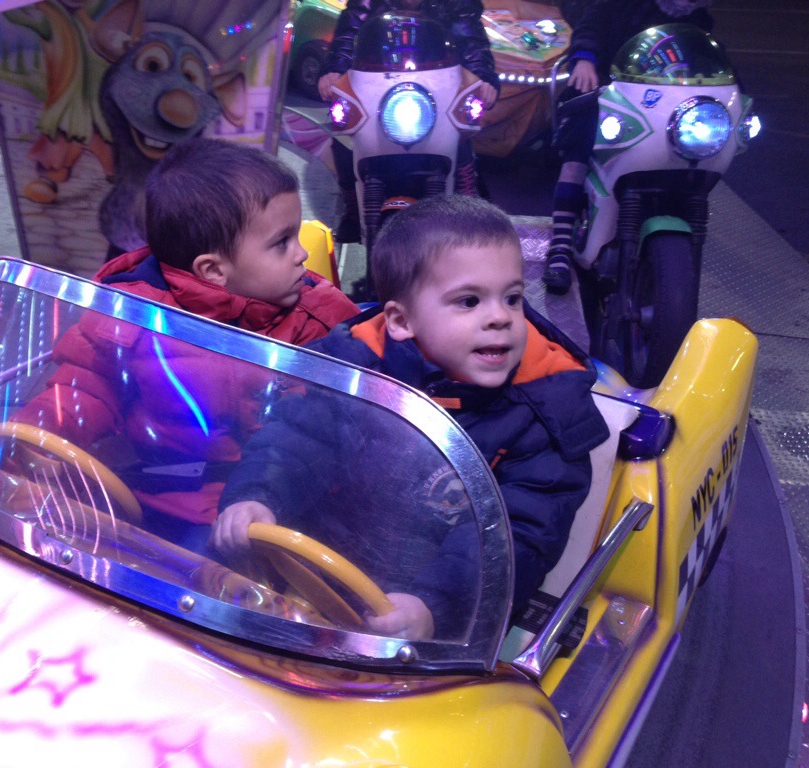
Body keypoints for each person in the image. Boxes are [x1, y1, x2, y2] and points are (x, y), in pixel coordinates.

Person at [211, 195, 609, 640]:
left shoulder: (545, 413)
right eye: (469, 301)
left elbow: (519, 535)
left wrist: (433, 606)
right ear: (401, 322)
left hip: (434, 612)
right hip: (318, 572)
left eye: (512, 298)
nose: (500, 317)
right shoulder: (357, 367)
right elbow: (297, 440)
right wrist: (257, 496)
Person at [13, 138, 359, 547]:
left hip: (271, 508)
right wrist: (36, 432)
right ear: (212, 270)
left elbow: (331, 429)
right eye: (282, 242)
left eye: (296, 237)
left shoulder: (321, 320)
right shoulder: (130, 313)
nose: (301, 255)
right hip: (151, 492)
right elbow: (86, 386)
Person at [542, 0, 714, 294]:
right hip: (608, 92)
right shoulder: (621, 4)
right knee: (578, 151)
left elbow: (707, 60)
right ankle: (560, 244)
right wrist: (585, 59)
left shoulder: (698, 19)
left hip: (666, 107)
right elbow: (591, 28)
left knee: (689, 154)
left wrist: (732, 91)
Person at [317, 0, 500, 242]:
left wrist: (484, 77)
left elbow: (470, 38)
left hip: (438, 78)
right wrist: (334, 68)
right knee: (345, 131)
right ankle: (352, 204)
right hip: (376, 79)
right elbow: (350, 32)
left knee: (459, 127)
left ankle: (465, 194)